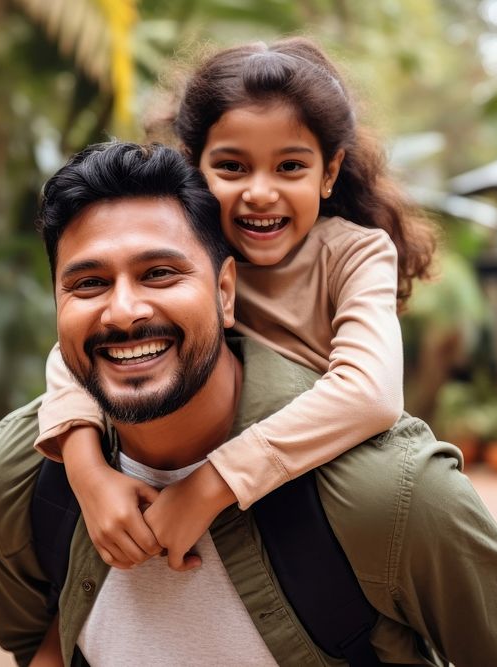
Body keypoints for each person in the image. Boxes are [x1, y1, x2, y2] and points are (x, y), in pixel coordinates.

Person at [0, 141, 497, 666]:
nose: (123, 311)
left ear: (225, 292)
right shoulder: (19, 480)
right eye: (88, 284)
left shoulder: (391, 493)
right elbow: (43, 642)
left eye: (159, 274)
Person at [35, 37, 438, 572]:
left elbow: (371, 394)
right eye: (232, 167)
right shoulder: (184, 259)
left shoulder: (353, 253)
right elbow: (77, 351)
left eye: (290, 167)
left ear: (330, 172)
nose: (260, 193)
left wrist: (209, 486)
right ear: (193, 167)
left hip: (310, 488)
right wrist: (88, 476)